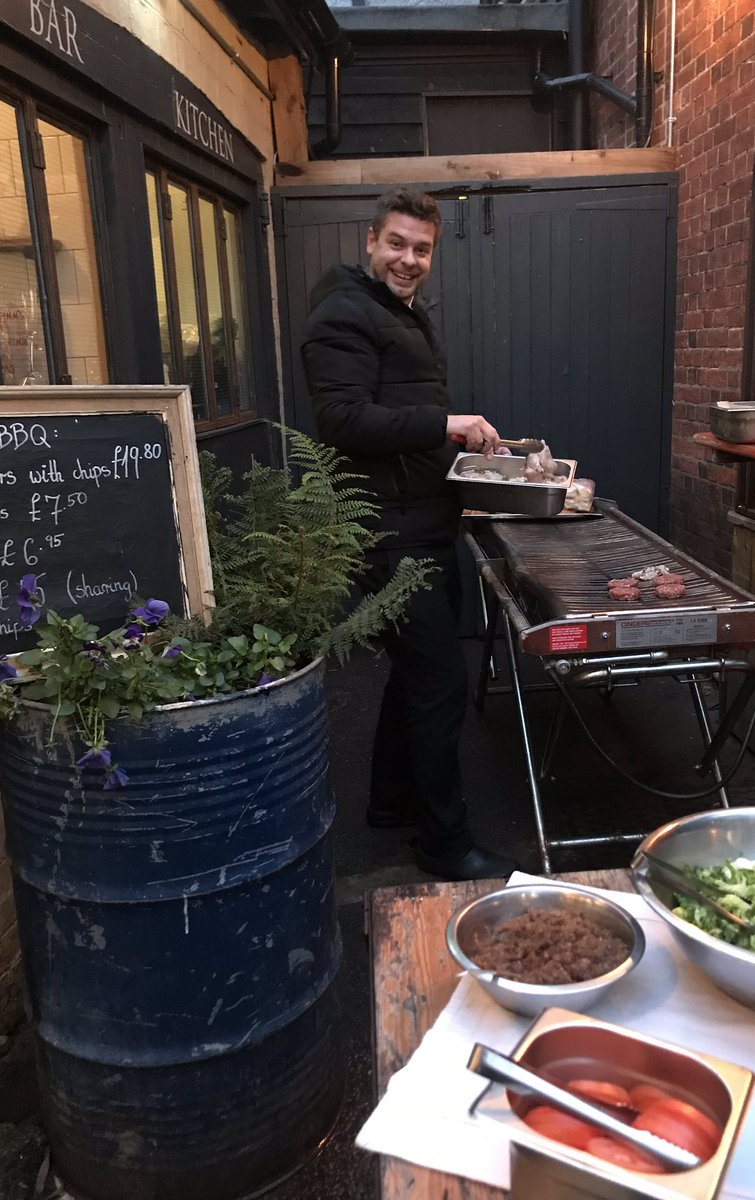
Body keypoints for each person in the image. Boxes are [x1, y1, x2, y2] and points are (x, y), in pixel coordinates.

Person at [301, 186, 520, 882]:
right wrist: (444, 425)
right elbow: (341, 421)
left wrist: (472, 456)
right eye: (396, 243)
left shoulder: (397, 311)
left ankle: (392, 802)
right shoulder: (343, 314)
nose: (408, 258)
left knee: (415, 673)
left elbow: (401, 413)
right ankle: (445, 846)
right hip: (390, 531)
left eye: (421, 248)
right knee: (437, 682)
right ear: (370, 241)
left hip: (423, 517)